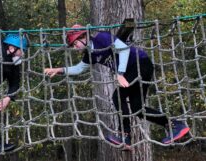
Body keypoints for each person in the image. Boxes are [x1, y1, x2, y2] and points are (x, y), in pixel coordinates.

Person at [44, 24, 190, 150]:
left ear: (83, 37)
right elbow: (79, 69)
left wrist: (119, 74)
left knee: (117, 96)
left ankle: (125, 135)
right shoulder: (90, 54)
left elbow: (124, 49)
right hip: (134, 71)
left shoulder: (102, 38)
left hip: (140, 63)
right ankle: (174, 125)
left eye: (75, 44)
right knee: (138, 109)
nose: (75, 48)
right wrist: (59, 70)